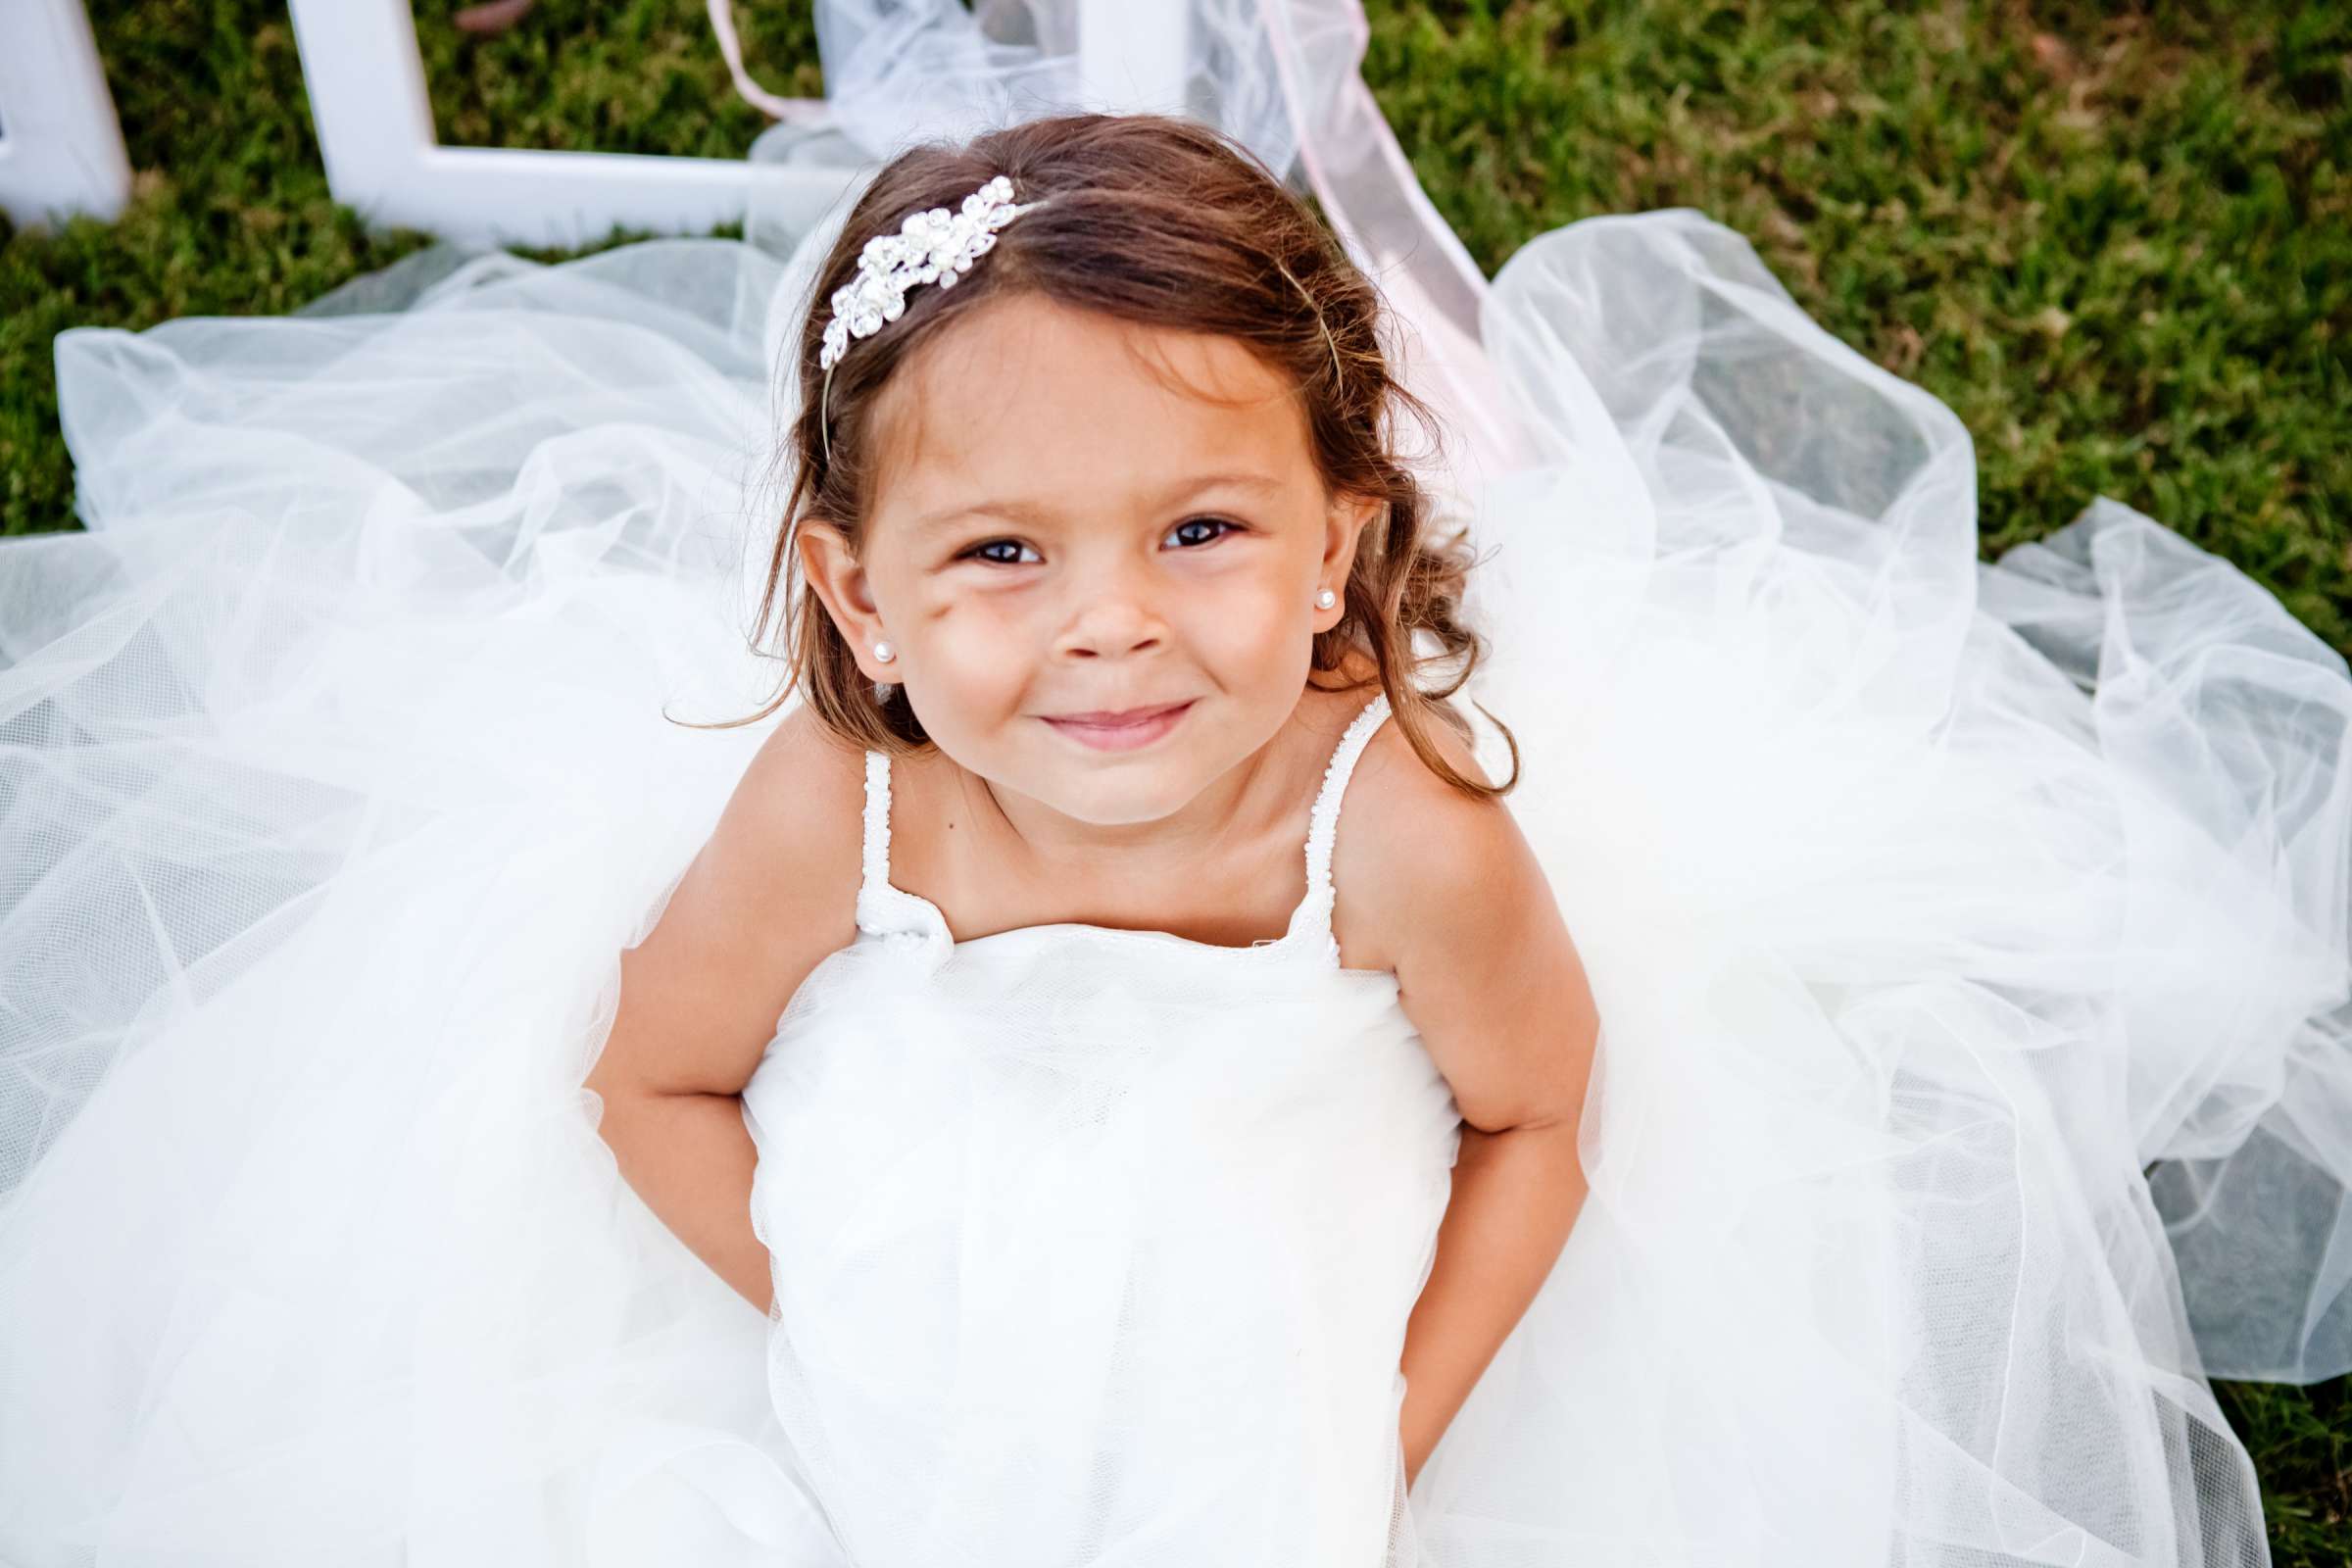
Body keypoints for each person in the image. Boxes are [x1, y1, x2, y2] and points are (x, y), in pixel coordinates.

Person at [1, 58, 2346, 1568]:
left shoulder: (1398, 823)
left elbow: (1538, 1116)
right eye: (1003, 554)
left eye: (1200, 532)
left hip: (1296, 1379)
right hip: (895, 1354)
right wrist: (845, 1319)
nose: (1110, 632)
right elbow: (656, 1069)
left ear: (1340, 533)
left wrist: (1395, 1419)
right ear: (861, 590)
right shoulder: (844, 800)